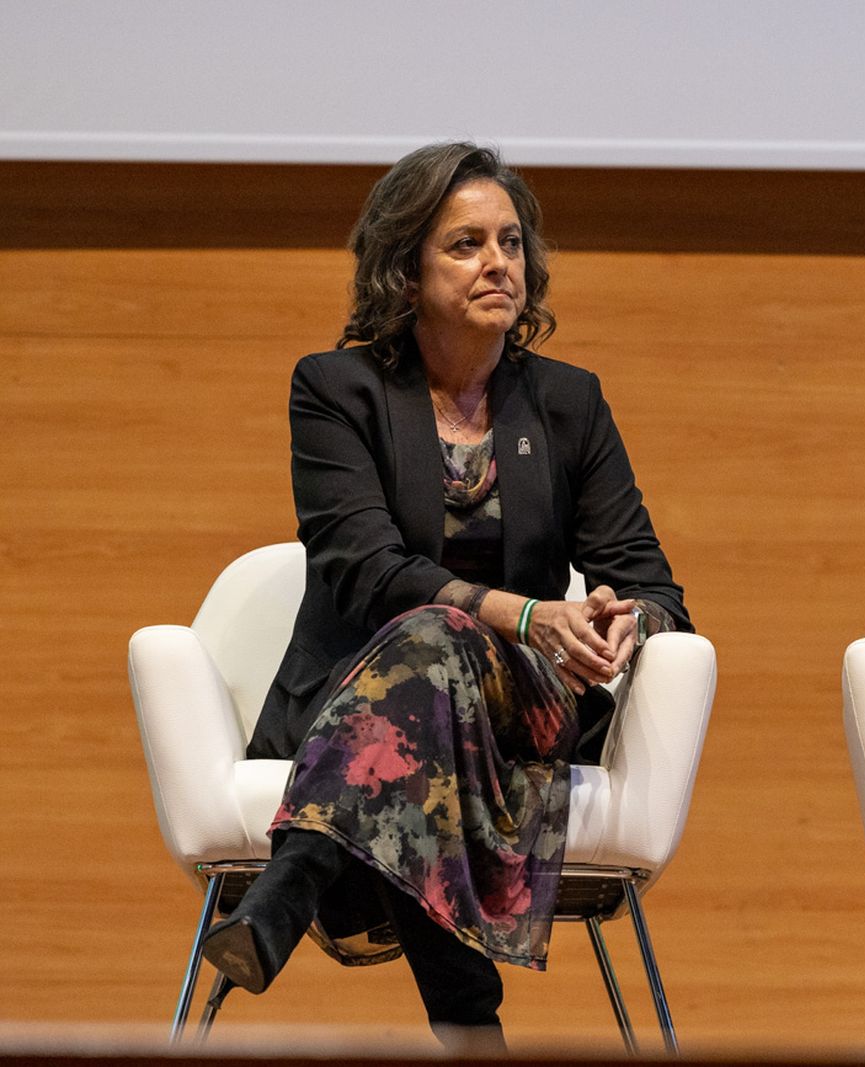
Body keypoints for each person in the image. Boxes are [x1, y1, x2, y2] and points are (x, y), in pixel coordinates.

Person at [200, 142, 690, 1050]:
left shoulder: (568, 403)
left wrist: (620, 625)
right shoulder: (337, 389)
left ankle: (292, 881)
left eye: (510, 241)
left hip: (521, 706)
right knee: (431, 650)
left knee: (440, 642)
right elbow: (365, 570)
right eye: (465, 244)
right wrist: (526, 612)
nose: (499, 262)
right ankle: (469, 1021)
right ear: (405, 267)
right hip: (371, 699)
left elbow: (658, 585)